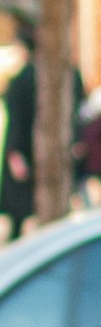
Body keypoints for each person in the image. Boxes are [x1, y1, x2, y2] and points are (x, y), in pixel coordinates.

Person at [0, 12, 32, 242]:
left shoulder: (22, 79)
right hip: (23, 149)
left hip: (20, 149)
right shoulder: (23, 77)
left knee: (18, 209)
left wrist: (14, 153)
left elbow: (18, 122)